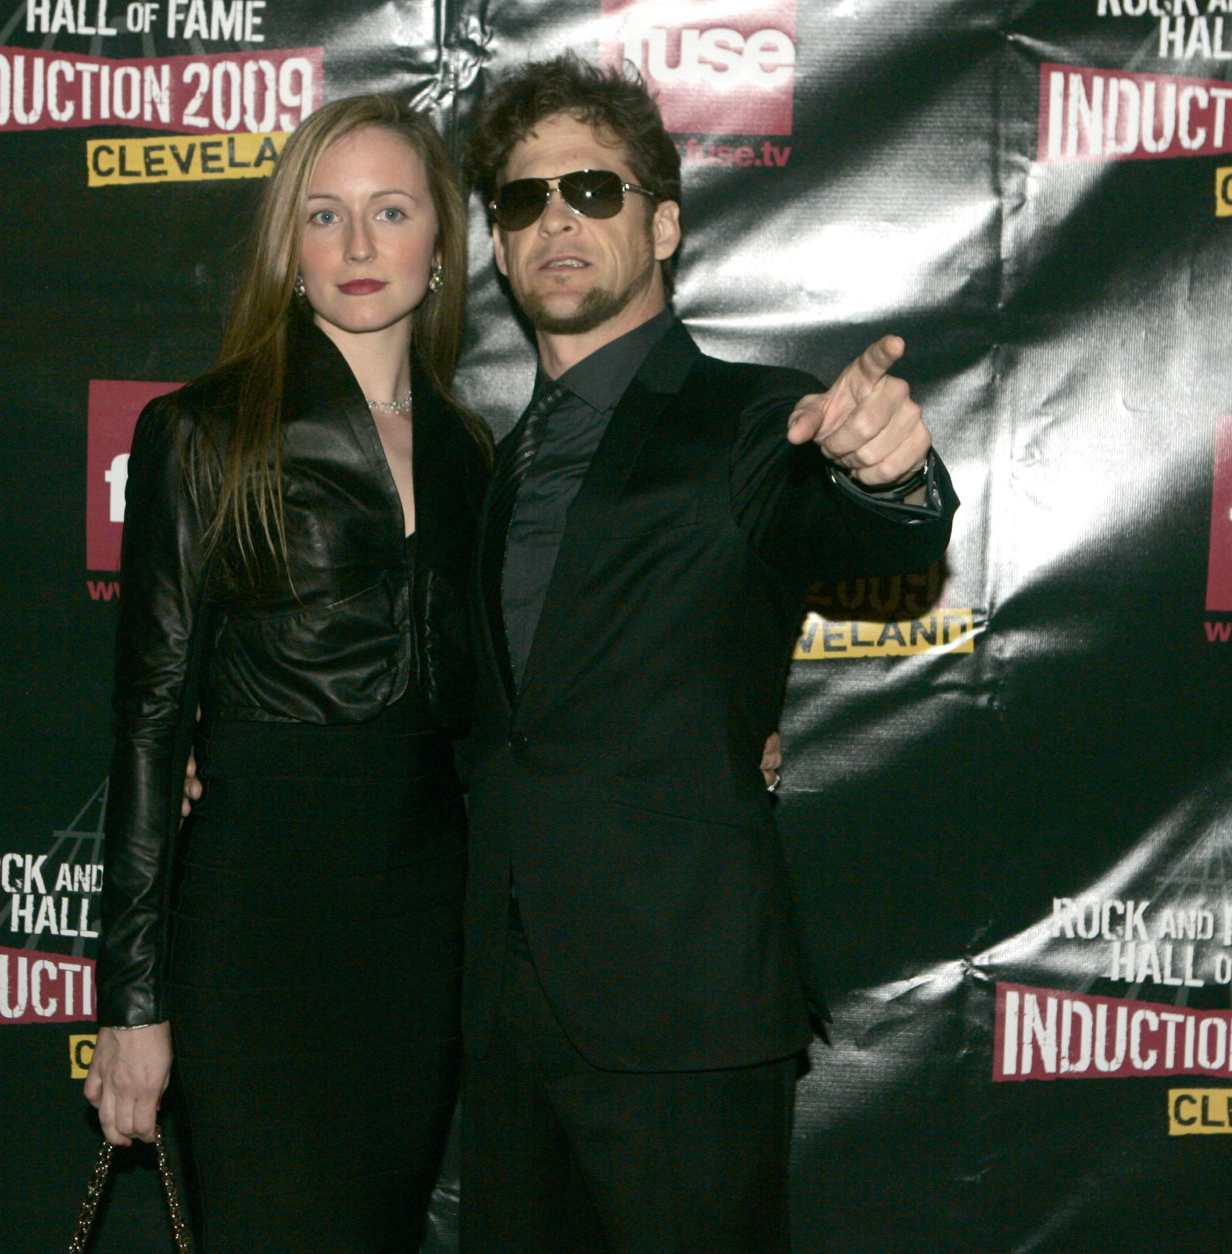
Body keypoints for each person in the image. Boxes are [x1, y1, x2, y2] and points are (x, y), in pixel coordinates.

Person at [455, 56, 959, 1252]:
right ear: (500, 247)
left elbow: (864, 519)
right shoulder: (490, 466)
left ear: (664, 225)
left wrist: (890, 476)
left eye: (592, 189)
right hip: (503, 1012)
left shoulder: (750, 419)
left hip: (681, 1007)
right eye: (523, 201)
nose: (556, 221)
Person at [83, 94, 493, 1253]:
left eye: (390, 211)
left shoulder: (472, 453)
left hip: (421, 928)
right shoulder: (202, 431)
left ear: (439, 245)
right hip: (256, 917)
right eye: (325, 214)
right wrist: (132, 1000)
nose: (358, 244)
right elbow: (150, 720)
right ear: (289, 248)